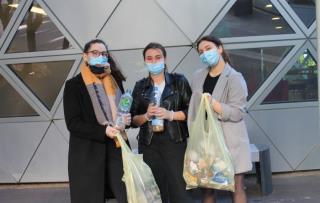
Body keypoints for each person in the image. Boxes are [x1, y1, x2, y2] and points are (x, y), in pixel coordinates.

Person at [63, 39, 129, 203]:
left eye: (103, 54)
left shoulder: (115, 81)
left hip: (116, 148)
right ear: (85, 56)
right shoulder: (73, 85)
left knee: (126, 196)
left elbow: (122, 109)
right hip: (88, 154)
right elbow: (73, 123)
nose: (100, 56)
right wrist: (103, 130)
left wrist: (125, 119)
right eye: (95, 53)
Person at [188, 35, 252, 203]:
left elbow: (238, 112)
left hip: (230, 141)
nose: (204, 54)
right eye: (201, 52)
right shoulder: (197, 76)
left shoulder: (234, 77)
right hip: (205, 143)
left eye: (208, 48)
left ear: (220, 48)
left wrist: (215, 104)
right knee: (207, 190)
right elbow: (194, 109)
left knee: (236, 188)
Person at [130, 42, 193, 203]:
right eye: (149, 58)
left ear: (165, 59)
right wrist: (145, 116)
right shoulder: (140, 86)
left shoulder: (179, 81)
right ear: (145, 61)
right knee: (155, 190)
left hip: (174, 141)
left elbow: (192, 112)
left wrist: (170, 115)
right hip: (149, 143)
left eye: (158, 57)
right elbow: (132, 120)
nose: (154, 61)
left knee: (179, 189)